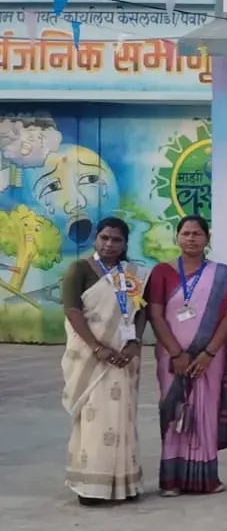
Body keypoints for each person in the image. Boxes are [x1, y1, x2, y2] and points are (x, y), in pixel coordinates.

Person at [146, 215, 227, 496]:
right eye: (185, 233)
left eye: (197, 234)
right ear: (177, 238)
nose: (191, 238)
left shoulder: (222, 274)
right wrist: (176, 354)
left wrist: (209, 353)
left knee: (205, 413)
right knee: (172, 412)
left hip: (209, 358)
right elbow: (155, 314)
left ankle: (204, 479)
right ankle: (171, 481)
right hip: (171, 358)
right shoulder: (162, 272)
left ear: (206, 239)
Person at [61, 216, 147, 504]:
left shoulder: (133, 274)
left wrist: (134, 343)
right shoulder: (79, 269)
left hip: (123, 357)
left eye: (116, 239)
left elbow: (140, 310)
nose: (110, 244)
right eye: (104, 238)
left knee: (123, 417)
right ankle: (91, 486)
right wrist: (97, 348)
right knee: (94, 420)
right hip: (92, 357)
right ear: (96, 239)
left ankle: (125, 484)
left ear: (125, 243)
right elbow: (72, 312)